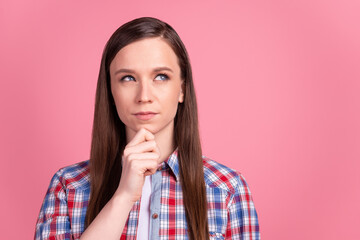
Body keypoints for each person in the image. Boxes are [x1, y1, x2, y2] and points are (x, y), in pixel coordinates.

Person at [34, 17, 260, 240]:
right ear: (110, 91)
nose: (144, 96)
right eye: (128, 78)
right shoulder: (69, 187)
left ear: (182, 89)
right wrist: (123, 197)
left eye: (161, 77)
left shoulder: (227, 189)